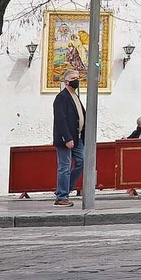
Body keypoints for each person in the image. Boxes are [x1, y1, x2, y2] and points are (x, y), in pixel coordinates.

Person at [51, 69, 84, 207]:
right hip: (67, 139)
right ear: (66, 82)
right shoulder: (62, 97)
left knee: (82, 162)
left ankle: (64, 188)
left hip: (78, 138)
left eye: (78, 77)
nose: (77, 79)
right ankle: (62, 196)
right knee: (64, 166)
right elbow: (60, 119)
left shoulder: (76, 96)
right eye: (73, 78)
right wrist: (67, 138)